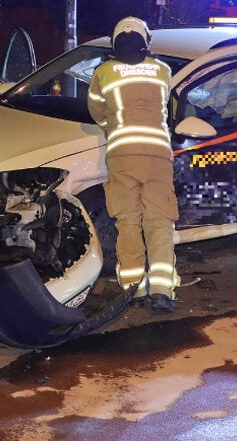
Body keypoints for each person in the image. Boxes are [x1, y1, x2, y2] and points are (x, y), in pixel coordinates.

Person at [87, 16, 180, 313]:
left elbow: (96, 112)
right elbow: (171, 109)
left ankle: (133, 289)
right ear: (146, 41)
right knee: (159, 221)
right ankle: (163, 290)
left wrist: (113, 126)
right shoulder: (163, 71)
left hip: (122, 155)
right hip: (158, 157)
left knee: (128, 221)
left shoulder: (103, 72)